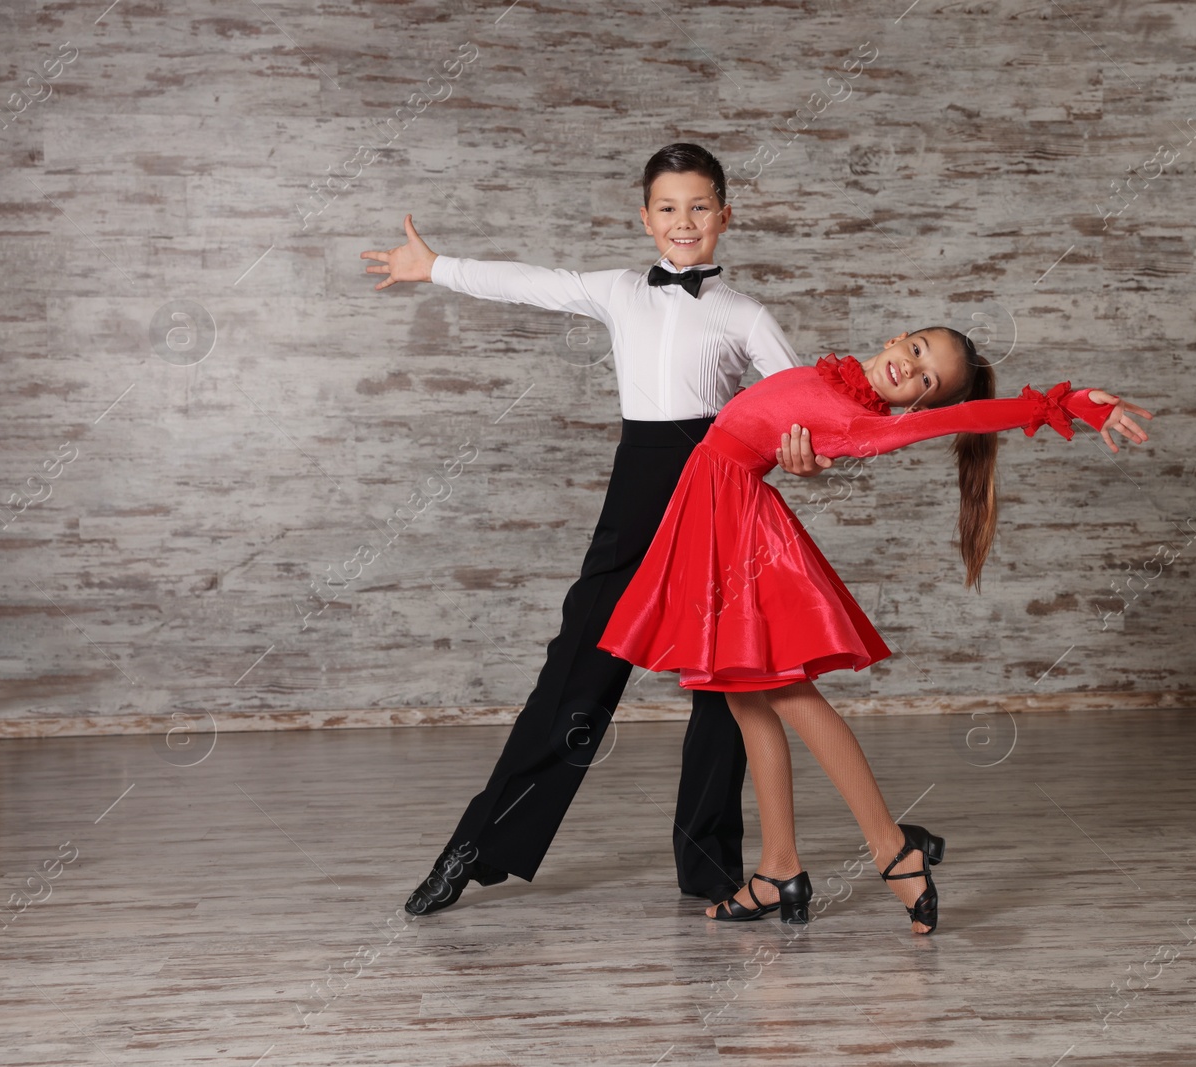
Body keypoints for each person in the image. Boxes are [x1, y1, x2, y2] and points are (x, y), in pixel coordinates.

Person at [361, 143, 832, 913]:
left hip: (720, 497)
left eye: (701, 207)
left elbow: (801, 407)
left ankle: (711, 865)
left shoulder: (745, 313)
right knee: (575, 675)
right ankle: (474, 847)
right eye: (669, 208)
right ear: (646, 218)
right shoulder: (619, 290)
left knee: (723, 687)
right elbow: (531, 284)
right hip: (640, 490)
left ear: (726, 216)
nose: (685, 222)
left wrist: (806, 455)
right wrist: (436, 266)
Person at [599, 326, 1153, 933]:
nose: (910, 371)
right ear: (897, 337)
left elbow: (960, 418)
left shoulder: (867, 425)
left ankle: (893, 849)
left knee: (785, 692)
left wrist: (1061, 404)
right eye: (915, 353)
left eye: (926, 381)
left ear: (919, 401)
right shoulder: (839, 382)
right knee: (745, 700)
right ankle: (779, 867)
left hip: (736, 526)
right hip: (716, 513)